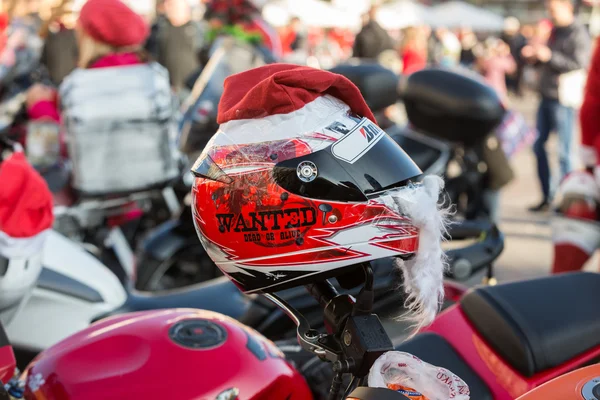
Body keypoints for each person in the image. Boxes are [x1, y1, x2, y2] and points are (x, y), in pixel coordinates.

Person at [25, 0, 179, 196]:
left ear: (87, 36)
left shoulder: (78, 85)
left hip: (97, 201)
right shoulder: (155, 76)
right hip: (155, 191)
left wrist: (41, 108)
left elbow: (51, 156)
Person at [523, 0, 591, 212]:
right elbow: (548, 60)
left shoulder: (578, 32)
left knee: (564, 152)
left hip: (563, 99)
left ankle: (566, 201)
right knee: (538, 146)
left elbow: (579, 62)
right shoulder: (554, 31)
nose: (550, 13)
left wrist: (549, 56)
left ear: (566, 7)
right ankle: (548, 195)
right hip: (547, 95)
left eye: (553, 9)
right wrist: (535, 57)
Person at [146, 0, 204, 93]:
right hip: (166, 86)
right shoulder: (159, 28)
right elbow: (149, 53)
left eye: (173, 5)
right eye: (168, 5)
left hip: (191, 86)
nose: (169, 8)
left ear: (186, 8)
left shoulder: (197, 28)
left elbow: (204, 55)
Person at [477, 37, 516, 104]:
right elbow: (511, 68)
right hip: (495, 87)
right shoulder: (496, 59)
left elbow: (511, 69)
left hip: (493, 86)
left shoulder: (493, 59)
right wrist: (507, 54)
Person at [502, 16, 527, 97]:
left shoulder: (521, 39)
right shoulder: (504, 38)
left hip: (518, 64)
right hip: (507, 64)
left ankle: (517, 91)